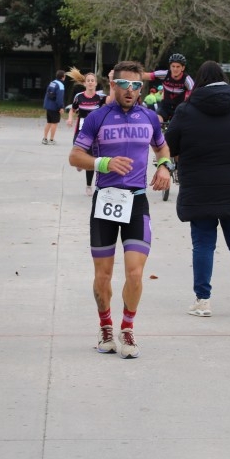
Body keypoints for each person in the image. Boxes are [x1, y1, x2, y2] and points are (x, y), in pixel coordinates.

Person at [68, 60, 172, 359]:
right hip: (106, 200)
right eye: (124, 85)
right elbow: (75, 157)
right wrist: (104, 163)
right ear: (113, 85)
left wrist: (165, 166)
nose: (130, 91)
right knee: (103, 276)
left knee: (136, 273)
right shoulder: (97, 118)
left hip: (136, 201)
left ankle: (127, 328)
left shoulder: (150, 118)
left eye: (136, 86)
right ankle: (105, 326)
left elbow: (162, 148)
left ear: (142, 88)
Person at [164, 61, 230, 319]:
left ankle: (203, 301)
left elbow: (170, 143)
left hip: (200, 188)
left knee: (203, 245)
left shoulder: (187, 109)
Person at [65, 68, 104, 195]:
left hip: (94, 131)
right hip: (81, 129)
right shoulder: (79, 97)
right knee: (76, 150)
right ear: (85, 83)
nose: (91, 82)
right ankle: (79, 162)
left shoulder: (100, 98)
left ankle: (88, 186)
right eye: (88, 81)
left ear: (96, 83)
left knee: (90, 158)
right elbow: (72, 109)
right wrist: (70, 119)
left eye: (93, 80)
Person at [142, 53, 195, 122]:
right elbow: (147, 75)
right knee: (157, 121)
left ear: (183, 68)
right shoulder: (164, 74)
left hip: (180, 107)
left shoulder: (187, 80)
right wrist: (130, 73)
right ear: (170, 66)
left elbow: (194, 94)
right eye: (173, 66)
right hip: (165, 106)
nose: (175, 69)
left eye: (178, 67)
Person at [41, 69, 65, 144]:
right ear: (63, 77)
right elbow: (59, 97)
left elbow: (49, 93)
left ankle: (44, 138)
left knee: (49, 122)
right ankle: (51, 139)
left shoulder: (52, 83)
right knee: (54, 123)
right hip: (55, 107)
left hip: (48, 106)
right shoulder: (60, 85)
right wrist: (61, 107)